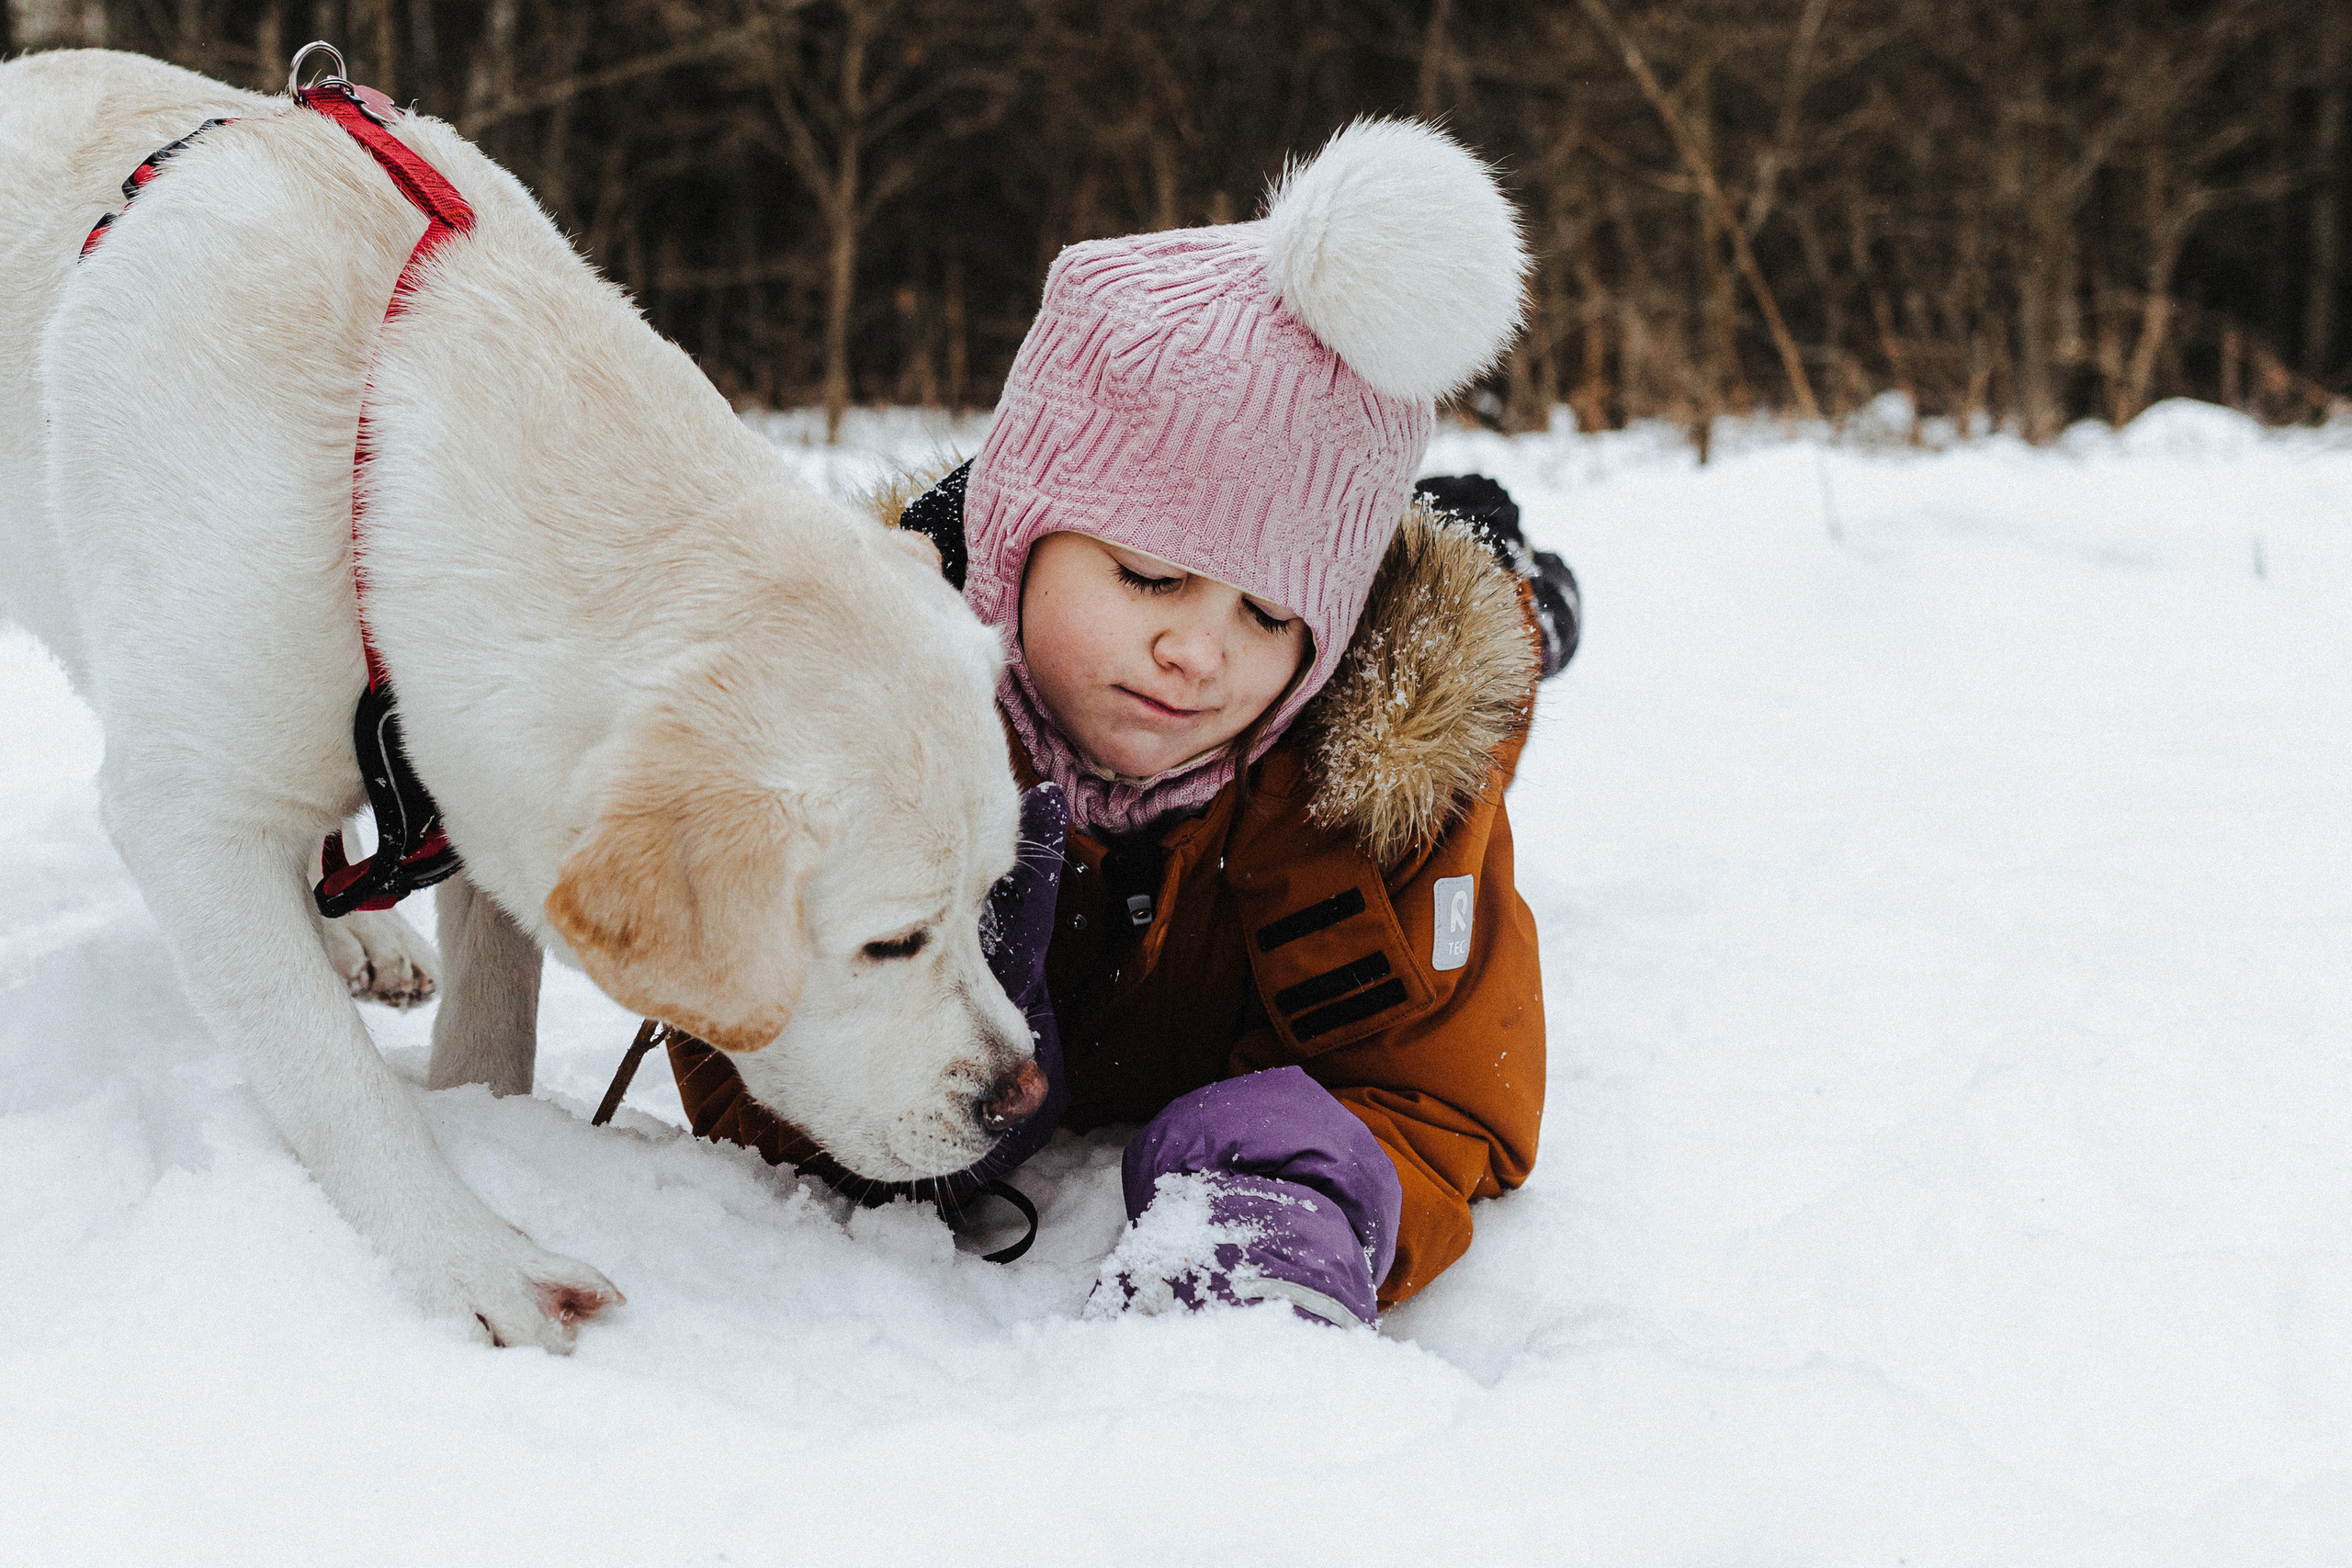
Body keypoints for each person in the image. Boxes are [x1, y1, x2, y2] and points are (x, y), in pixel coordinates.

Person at [663, 118, 1577, 1325]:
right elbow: (733, 1047)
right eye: (1148, 577)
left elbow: (1453, 1092)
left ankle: (1518, 576)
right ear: (1014, 543)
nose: (1197, 652)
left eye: (1267, 612)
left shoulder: (1378, 787)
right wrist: (933, 1064)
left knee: (1489, 608)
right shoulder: (863, 731)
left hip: (1408, 607)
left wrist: (1310, 1191)